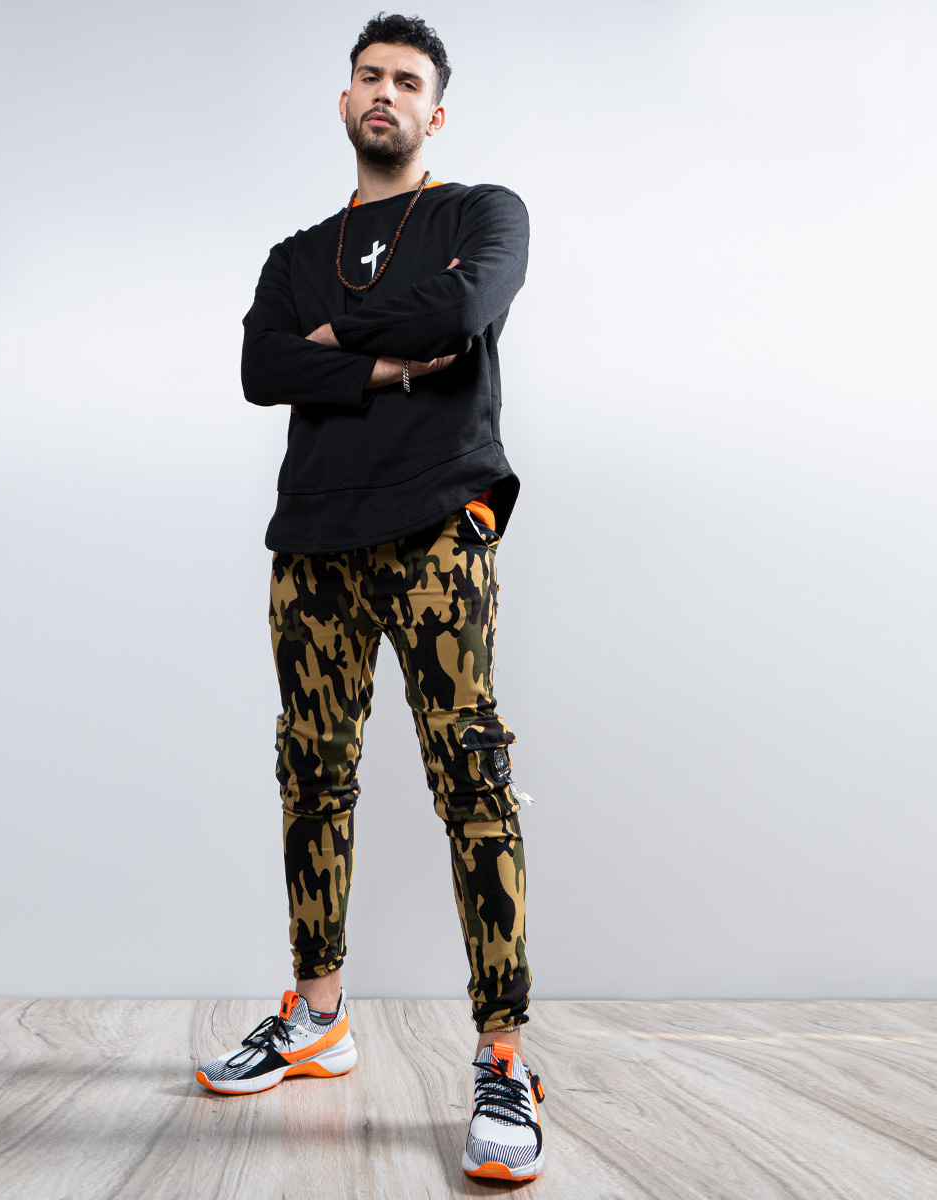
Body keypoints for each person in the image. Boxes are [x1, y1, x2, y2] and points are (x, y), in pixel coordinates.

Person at [195, 13, 544, 1182]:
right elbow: (262, 365)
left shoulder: (484, 215)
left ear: (435, 112)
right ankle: (317, 1015)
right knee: (312, 775)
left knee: (472, 778)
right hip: (314, 543)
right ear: (345, 102)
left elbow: (462, 313)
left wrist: (335, 346)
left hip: (438, 528)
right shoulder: (297, 255)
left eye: (405, 80)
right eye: (368, 77)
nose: (384, 92)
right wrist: (388, 362)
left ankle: (503, 1056)